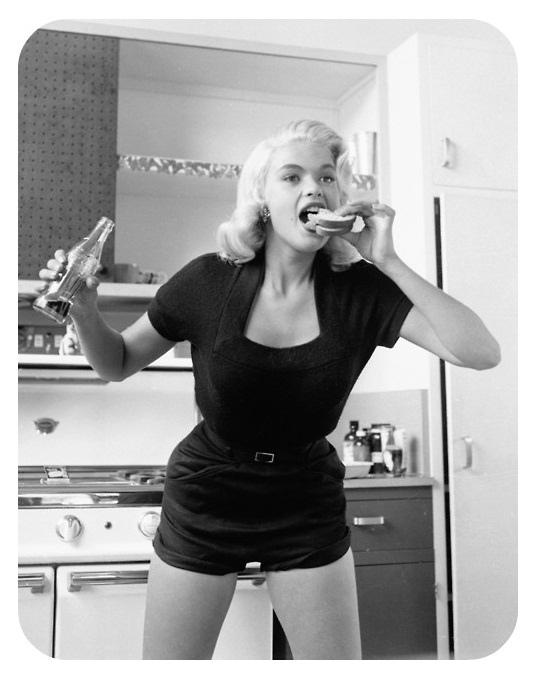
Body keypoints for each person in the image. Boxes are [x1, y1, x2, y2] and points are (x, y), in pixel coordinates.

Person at [38, 120, 500, 660]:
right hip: (209, 491)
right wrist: (85, 312)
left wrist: (388, 261)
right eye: (292, 176)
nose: (314, 188)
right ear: (262, 199)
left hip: (305, 497)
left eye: (326, 177)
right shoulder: (208, 280)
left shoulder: (361, 290)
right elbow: (116, 363)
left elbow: (480, 352)